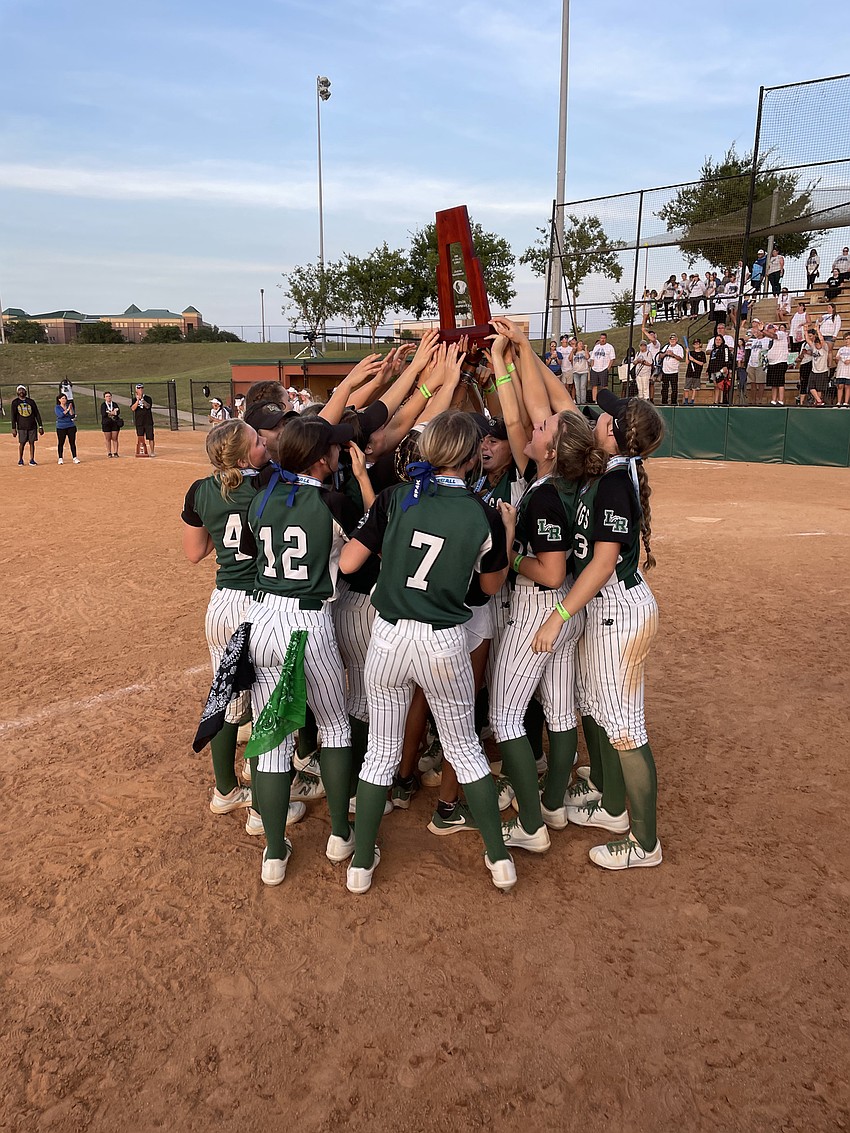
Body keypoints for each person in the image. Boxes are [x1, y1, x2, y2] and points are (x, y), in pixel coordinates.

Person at [339, 409, 518, 894]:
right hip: (444, 639)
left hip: (391, 635)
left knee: (380, 751)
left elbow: (353, 559)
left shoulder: (396, 497)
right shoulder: (482, 511)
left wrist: (395, 548)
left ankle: (360, 864)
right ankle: (499, 860)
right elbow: (487, 589)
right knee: (464, 748)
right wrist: (508, 531)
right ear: (467, 456)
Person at [532, 390, 665, 871]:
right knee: (599, 707)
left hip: (618, 612)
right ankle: (611, 807)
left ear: (614, 431)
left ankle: (644, 842)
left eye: (605, 415)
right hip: (606, 611)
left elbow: (604, 561)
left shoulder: (613, 483)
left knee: (627, 728)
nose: (598, 417)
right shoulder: (608, 468)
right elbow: (562, 403)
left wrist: (558, 616)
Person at [241, 414, 358, 886]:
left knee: (272, 737)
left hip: (265, 617)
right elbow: (360, 554)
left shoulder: (262, 495)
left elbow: (253, 551)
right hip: (310, 621)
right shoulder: (333, 501)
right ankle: (341, 833)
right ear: (320, 459)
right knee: (332, 725)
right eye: (332, 449)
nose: (337, 453)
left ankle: (273, 851)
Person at [180, 419, 308, 835]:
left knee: (228, 702)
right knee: (264, 703)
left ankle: (225, 790)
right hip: (258, 603)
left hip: (220, 605)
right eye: (257, 441)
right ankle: (260, 809)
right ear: (241, 454)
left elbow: (195, 552)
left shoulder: (200, 490)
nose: (265, 443)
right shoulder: (269, 486)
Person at [490, 407, 603, 853]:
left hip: (541, 609)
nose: (531, 428)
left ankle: (531, 824)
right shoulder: (563, 484)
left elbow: (552, 572)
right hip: (566, 611)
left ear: (552, 451)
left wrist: (514, 555)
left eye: (541, 428)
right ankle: (553, 803)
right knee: (559, 711)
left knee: (503, 714)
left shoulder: (544, 495)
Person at [754, 320, 790, 406]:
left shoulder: (781, 333)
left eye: (770, 328)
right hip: (772, 363)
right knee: (773, 383)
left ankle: (781, 401)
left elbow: (772, 335)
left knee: (780, 382)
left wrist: (762, 330)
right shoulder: (770, 340)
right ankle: (773, 400)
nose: (768, 330)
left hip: (780, 361)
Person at [11, 385, 44, 466]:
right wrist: (13, 428)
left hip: (32, 425)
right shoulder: (15, 402)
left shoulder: (31, 402)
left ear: (25, 391)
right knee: (22, 443)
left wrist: (40, 426)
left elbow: (37, 414)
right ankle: (21, 459)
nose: (21, 392)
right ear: (17, 392)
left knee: (32, 443)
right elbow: (13, 416)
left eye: (22, 390)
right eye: (19, 390)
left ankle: (32, 459)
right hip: (21, 426)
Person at [589, 332, 616, 404]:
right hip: (595, 369)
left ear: (606, 339)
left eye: (604, 338)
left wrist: (607, 368)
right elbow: (592, 358)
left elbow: (612, 358)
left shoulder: (609, 347)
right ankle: (595, 400)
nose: (602, 340)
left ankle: (605, 400)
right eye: (601, 338)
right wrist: (592, 367)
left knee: (604, 386)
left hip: (603, 369)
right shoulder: (596, 347)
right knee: (594, 385)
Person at [707, 334, 733, 406]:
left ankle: (721, 402)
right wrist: (708, 370)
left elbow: (727, 357)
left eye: (719, 340)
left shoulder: (725, 347)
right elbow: (711, 360)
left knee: (721, 385)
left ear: (722, 341)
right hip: (713, 370)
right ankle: (715, 402)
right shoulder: (713, 350)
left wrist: (726, 366)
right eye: (716, 340)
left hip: (721, 369)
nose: (718, 341)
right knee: (715, 386)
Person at [658, 333, 684, 406]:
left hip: (674, 371)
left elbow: (680, 358)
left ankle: (673, 402)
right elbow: (660, 355)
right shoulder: (666, 346)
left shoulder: (679, 348)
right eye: (671, 339)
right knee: (664, 389)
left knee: (674, 388)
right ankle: (664, 402)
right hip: (665, 371)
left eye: (674, 339)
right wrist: (666, 353)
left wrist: (673, 355)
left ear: (676, 340)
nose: (672, 340)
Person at [55, 395, 80, 464]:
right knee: (61, 442)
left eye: (65, 398)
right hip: (61, 427)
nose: (64, 400)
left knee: (72, 442)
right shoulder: (57, 407)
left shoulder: (68, 406)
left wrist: (71, 409)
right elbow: (60, 415)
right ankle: (60, 458)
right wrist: (68, 410)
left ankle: (74, 457)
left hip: (70, 426)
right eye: (62, 398)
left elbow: (72, 415)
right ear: (59, 400)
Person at [131, 384, 155, 456]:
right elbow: (133, 408)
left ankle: (152, 451)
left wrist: (142, 400)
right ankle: (142, 450)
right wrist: (138, 400)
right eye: (138, 388)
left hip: (148, 421)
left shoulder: (148, 398)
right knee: (140, 436)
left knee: (150, 437)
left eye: (141, 388)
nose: (140, 390)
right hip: (139, 421)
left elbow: (148, 406)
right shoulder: (134, 399)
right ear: (136, 390)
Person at [100, 391, 123, 457]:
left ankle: (115, 452)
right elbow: (104, 414)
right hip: (106, 423)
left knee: (115, 438)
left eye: (109, 396)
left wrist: (110, 413)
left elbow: (118, 412)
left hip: (114, 423)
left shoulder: (115, 404)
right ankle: (109, 452)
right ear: (104, 398)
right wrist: (113, 412)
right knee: (108, 438)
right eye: (107, 396)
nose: (108, 398)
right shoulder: (103, 405)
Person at [683, 339, 706, 405]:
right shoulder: (691, 353)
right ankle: (686, 401)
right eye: (695, 343)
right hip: (689, 373)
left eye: (697, 343)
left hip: (697, 373)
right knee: (686, 388)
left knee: (694, 388)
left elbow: (701, 363)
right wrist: (687, 353)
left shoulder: (702, 353)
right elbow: (687, 362)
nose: (696, 345)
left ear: (700, 344)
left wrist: (693, 360)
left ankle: (692, 401)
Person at [834, 332, 850, 408]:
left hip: (848, 371)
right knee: (840, 386)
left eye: (848, 338)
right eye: (845, 339)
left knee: (847, 386)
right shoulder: (841, 349)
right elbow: (836, 360)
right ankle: (839, 402)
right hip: (841, 371)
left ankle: (846, 402)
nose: (847, 340)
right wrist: (836, 359)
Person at [571, 341, 589, 405]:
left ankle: (583, 401)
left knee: (582, 387)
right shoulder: (574, 353)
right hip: (576, 372)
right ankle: (578, 402)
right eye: (580, 344)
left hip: (583, 371)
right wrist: (572, 351)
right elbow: (570, 359)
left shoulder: (584, 352)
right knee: (577, 387)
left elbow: (587, 357)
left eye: (582, 344)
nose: (581, 345)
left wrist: (586, 349)